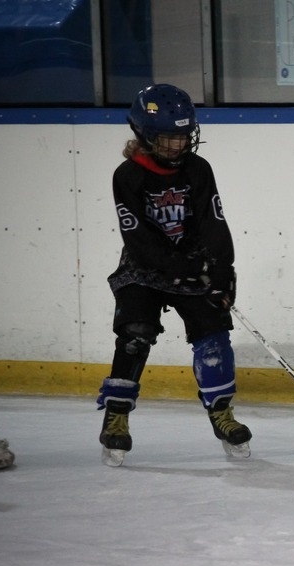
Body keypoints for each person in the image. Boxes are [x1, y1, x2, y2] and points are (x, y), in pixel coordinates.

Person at [96, 83, 251, 466]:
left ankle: (221, 413)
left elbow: (214, 222)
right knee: (135, 334)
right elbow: (138, 240)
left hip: (194, 262)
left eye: (182, 138)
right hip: (144, 268)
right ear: (145, 136)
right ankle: (117, 415)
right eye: (166, 139)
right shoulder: (127, 176)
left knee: (214, 335)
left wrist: (221, 270)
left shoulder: (198, 169)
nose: (176, 147)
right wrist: (181, 270)